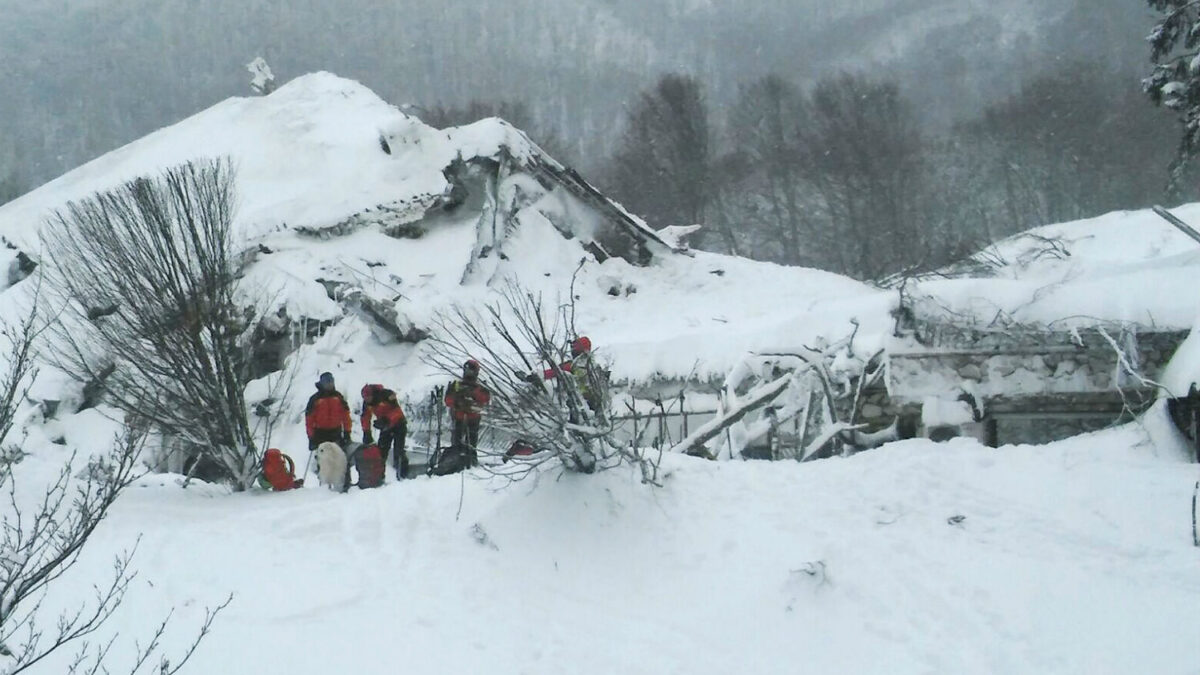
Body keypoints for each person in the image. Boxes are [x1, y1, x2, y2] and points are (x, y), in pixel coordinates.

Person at [530, 336, 601, 412]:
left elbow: (556, 371)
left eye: (574, 348)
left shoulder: (575, 365)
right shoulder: (592, 363)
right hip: (597, 399)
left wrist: (538, 376)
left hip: (584, 401)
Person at [444, 359, 491, 465]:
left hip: (472, 418)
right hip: (459, 418)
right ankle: (457, 462)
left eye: (471, 370)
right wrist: (458, 402)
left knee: (471, 443)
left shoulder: (479, 388)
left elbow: (486, 398)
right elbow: (448, 400)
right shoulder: (456, 385)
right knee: (457, 442)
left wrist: (472, 395)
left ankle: (471, 461)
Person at [360, 384, 409, 478]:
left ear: (372, 394)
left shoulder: (385, 395)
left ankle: (403, 476)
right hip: (386, 427)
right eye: (365, 398)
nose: (367, 400)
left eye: (368, 397)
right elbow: (365, 417)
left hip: (399, 425)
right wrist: (366, 432)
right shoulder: (366, 403)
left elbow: (397, 412)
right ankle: (378, 476)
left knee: (399, 451)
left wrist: (386, 420)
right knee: (381, 453)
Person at [305, 371, 351, 452]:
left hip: (336, 432)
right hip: (320, 434)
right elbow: (309, 420)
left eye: (331, 381)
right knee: (324, 459)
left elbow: (346, 416)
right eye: (327, 382)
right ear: (322, 383)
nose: (329, 384)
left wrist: (347, 432)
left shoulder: (338, 397)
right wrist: (311, 437)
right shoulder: (315, 399)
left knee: (338, 457)